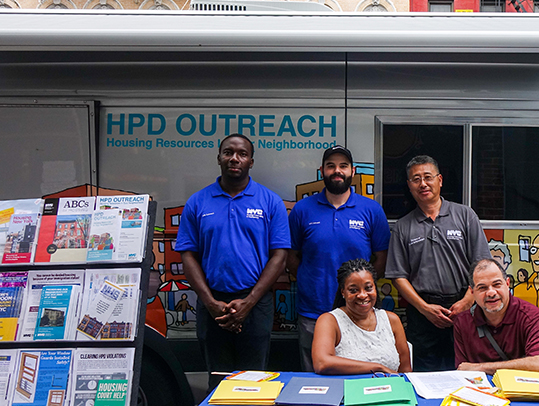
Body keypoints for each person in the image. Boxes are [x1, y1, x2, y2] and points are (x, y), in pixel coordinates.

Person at [176, 134, 290, 380]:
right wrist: (210, 304)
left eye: (242, 154)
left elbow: (279, 257)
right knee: (218, 379)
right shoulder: (197, 202)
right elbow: (188, 255)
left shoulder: (270, 202)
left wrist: (248, 303)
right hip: (212, 303)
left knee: (254, 381)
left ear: (251, 161)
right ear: (219, 158)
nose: (234, 158)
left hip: (256, 302)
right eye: (228, 152)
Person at [288, 145, 390, 371]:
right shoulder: (302, 210)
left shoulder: (371, 210)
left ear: (352, 171)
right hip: (313, 312)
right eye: (331, 166)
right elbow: (291, 256)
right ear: (321, 170)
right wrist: (309, 280)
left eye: (343, 166)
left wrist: (361, 292)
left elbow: (381, 258)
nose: (337, 171)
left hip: (358, 314)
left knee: (360, 376)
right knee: (314, 379)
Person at [385, 155, 490, 371]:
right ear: (409, 185)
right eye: (416, 179)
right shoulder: (403, 227)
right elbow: (398, 275)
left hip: (463, 309)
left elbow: (482, 266)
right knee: (425, 375)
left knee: (466, 371)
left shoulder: (465, 216)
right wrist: (424, 309)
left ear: (439, 180)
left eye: (427, 177)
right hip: (423, 314)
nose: (423, 184)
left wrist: (467, 302)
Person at [311, 259, 411, 375]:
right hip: (347, 390)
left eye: (368, 288)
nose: (363, 295)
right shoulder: (330, 321)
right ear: (343, 292)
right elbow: (322, 363)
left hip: (389, 390)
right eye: (353, 290)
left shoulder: (391, 320)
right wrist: (377, 367)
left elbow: (406, 371)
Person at [453, 258, 539, 374]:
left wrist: (479, 368)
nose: (491, 293)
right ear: (472, 292)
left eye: (497, 285)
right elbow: (462, 370)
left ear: (507, 283)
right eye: (482, 288)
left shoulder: (532, 317)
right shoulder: (462, 322)